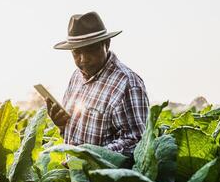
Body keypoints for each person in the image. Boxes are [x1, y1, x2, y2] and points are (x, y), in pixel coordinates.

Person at [46, 11, 149, 156]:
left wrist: (90, 157)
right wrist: (62, 125)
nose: (83, 59)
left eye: (90, 50)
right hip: (73, 173)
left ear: (106, 44)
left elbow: (135, 142)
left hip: (104, 178)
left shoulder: (128, 83)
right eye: (76, 52)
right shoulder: (76, 77)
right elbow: (73, 133)